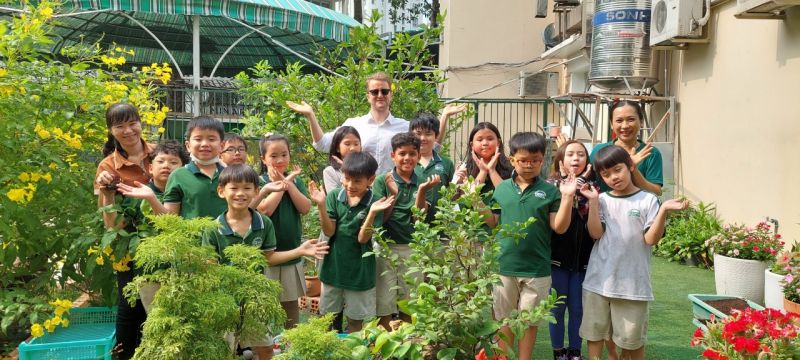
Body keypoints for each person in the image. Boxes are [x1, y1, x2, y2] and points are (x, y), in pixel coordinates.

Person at [202, 165, 328, 359]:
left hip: (256, 299)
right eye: (234, 188)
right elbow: (209, 266)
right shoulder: (213, 229)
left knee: (265, 348)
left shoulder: (263, 223)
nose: (240, 193)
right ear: (221, 191)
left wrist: (300, 250)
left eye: (246, 188)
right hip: (224, 300)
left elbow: (268, 258)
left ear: (256, 191)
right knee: (224, 349)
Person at [580, 146, 687, 360]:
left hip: (633, 286)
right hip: (598, 282)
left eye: (617, 170)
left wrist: (663, 210)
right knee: (594, 336)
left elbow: (650, 239)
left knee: (633, 342)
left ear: (630, 166)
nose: (613, 177)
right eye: (606, 174)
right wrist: (592, 202)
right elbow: (595, 233)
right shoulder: (601, 200)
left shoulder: (647, 200)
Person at [482, 132, 576, 360]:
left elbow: (560, 227)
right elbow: (492, 222)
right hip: (504, 266)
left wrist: (567, 198)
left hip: (536, 270)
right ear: (512, 159)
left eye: (535, 160)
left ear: (542, 160)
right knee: (503, 320)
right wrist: (474, 198)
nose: (529, 165)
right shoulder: (502, 189)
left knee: (528, 322)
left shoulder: (551, 191)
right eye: (523, 160)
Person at [286, 72, 466, 175]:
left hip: (394, 190)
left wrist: (444, 118)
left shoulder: (404, 126)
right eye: (374, 91)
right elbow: (322, 144)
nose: (380, 95)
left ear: (391, 94)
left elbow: (431, 148)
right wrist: (310, 115)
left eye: (384, 91)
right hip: (360, 188)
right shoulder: (354, 124)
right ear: (368, 96)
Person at [93, 103, 157, 360]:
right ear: (111, 131)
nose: (128, 130)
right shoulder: (107, 167)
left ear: (141, 123)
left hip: (162, 239)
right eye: (120, 126)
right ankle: (127, 354)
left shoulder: (160, 153)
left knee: (160, 299)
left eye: (132, 123)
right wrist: (107, 193)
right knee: (130, 302)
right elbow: (109, 221)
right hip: (126, 245)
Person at [307, 152, 395, 333]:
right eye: (347, 179)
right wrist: (321, 205)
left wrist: (371, 213)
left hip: (360, 274)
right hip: (333, 269)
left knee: (356, 322)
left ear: (370, 180)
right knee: (328, 321)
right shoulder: (333, 197)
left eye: (357, 181)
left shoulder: (376, 201)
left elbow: (363, 239)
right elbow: (329, 231)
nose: (350, 185)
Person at [371, 132, 440, 329]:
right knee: (384, 302)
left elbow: (419, 218)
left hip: (412, 248)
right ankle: (384, 346)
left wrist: (422, 191)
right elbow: (379, 220)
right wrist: (394, 194)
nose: (407, 158)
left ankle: (408, 344)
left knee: (410, 301)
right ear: (393, 155)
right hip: (386, 247)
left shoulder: (425, 181)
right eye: (402, 154)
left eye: (412, 154)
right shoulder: (382, 180)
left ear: (419, 156)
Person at [253, 134, 313, 329]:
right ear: (263, 159)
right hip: (265, 254)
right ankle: (263, 349)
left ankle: (291, 346)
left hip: (291, 254)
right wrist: (280, 186)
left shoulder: (296, 182)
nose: (279, 160)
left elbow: (305, 208)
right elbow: (265, 210)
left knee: (290, 307)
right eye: (273, 156)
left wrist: (289, 183)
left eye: (284, 154)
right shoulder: (260, 182)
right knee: (262, 308)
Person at [546, 141, 598, 360]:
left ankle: (575, 350)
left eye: (581, 154)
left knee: (578, 308)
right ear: (560, 160)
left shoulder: (594, 188)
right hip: (556, 260)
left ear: (587, 161)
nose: (576, 158)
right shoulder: (550, 186)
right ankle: (558, 351)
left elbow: (594, 225)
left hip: (583, 261)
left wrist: (582, 185)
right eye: (570, 154)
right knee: (557, 308)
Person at [589, 100, 663, 196]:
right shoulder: (598, 151)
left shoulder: (650, 153)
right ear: (611, 124)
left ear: (641, 122)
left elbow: (656, 192)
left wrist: (633, 169)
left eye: (631, 119)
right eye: (619, 120)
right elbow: (585, 180)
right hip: (603, 209)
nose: (625, 126)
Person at [161, 116, 228, 219]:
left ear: (222, 146)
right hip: (191, 234)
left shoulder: (230, 174)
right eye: (198, 139)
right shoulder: (178, 176)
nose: (205, 144)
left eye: (211, 139)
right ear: (188, 146)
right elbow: (170, 218)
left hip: (225, 235)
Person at [410, 113, 455, 222]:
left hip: (441, 228)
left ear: (436, 135)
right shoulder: (406, 162)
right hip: (409, 231)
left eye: (428, 134)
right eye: (418, 133)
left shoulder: (446, 163)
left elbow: (453, 196)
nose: (423, 138)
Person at [457, 122, 514, 202]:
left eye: (490, 139)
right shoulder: (465, 169)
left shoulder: (511, 166)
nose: (485, 143)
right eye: (479, 140)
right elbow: (467, 201)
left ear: (498, 142)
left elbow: (509, 197)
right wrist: (483, 172)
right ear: (472, 144)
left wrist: (492, 170)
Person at [322, 126, 362, 192]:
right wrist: (347, 170)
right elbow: (336, 200)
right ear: (337, 147)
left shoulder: (367, 167)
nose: (352, 148)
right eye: (347, 144)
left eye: (356, 144)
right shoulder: (330, 172)